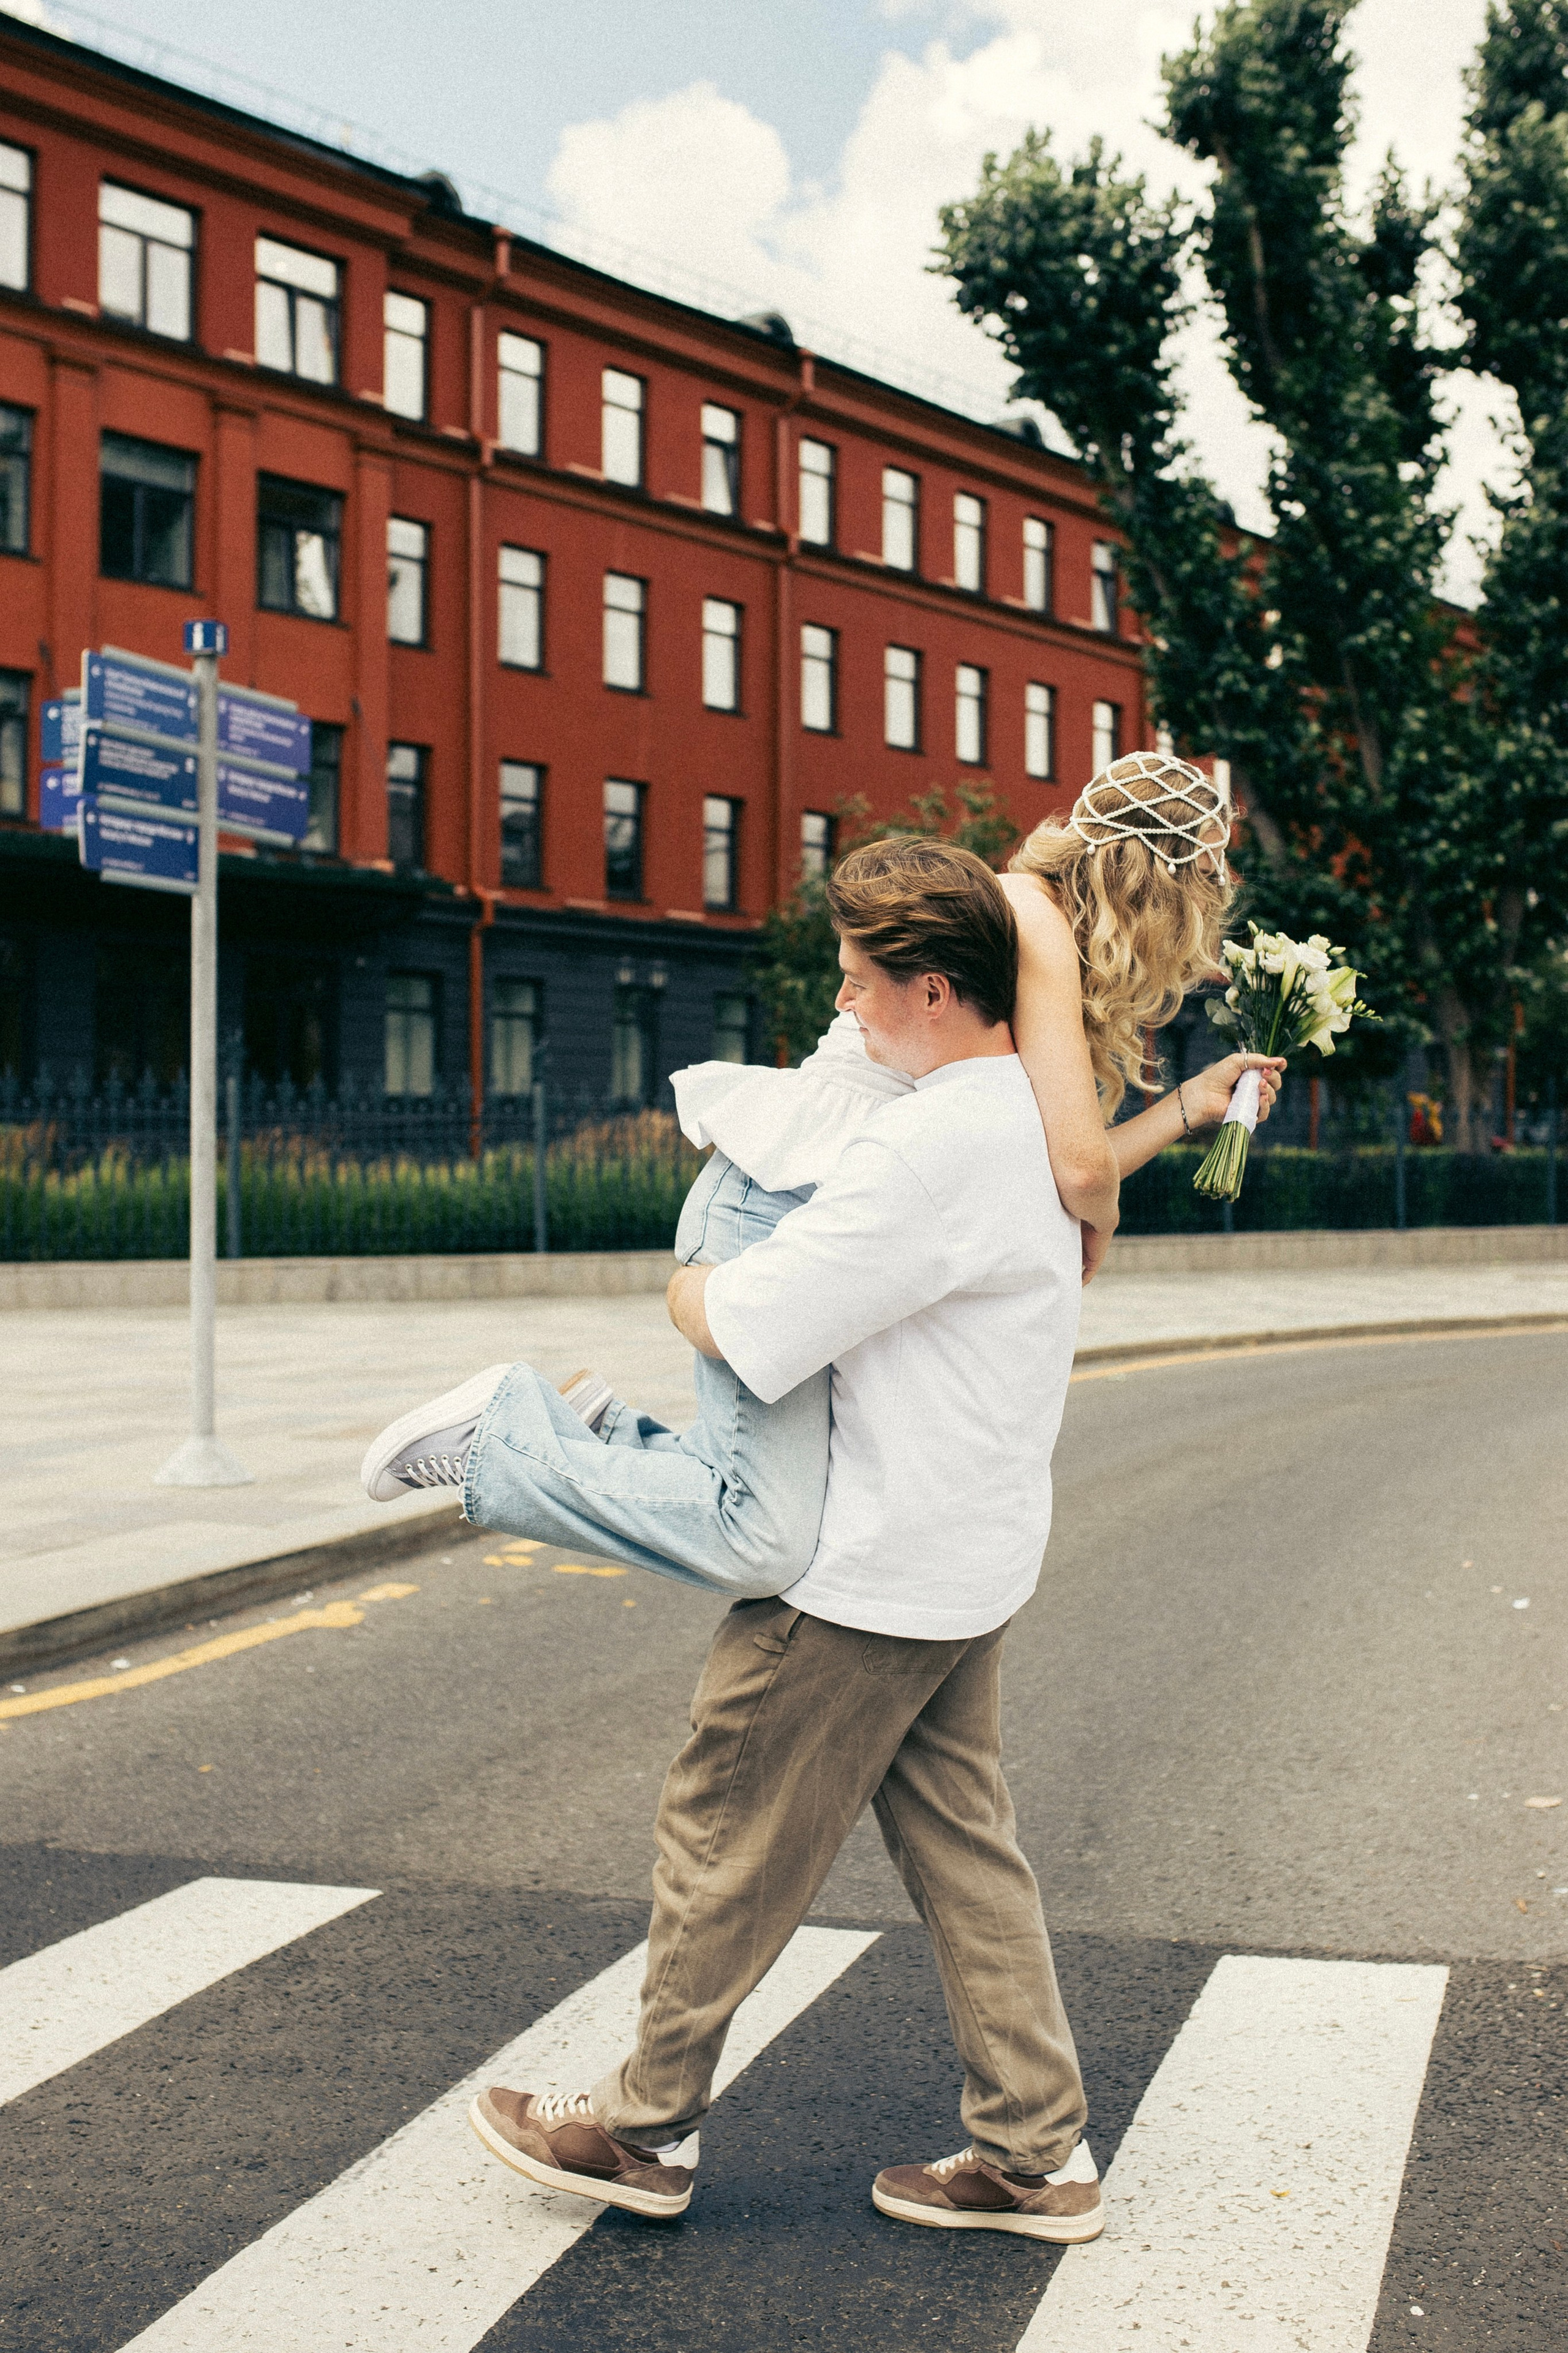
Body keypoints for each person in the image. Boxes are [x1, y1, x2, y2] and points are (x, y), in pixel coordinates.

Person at [358, 774, 1282, 2243]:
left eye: (855, 987)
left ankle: (634, 2125)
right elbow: (1069, 1178)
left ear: (931, 989)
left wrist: (674, 1291)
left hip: (859, 1576)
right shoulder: (1035, 1122)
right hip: (966, 1557)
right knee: (966, 1849)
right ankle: (1036, 2154)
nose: (837, 1015)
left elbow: (758, 1324)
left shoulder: (930, 1147)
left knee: (723, 1835)